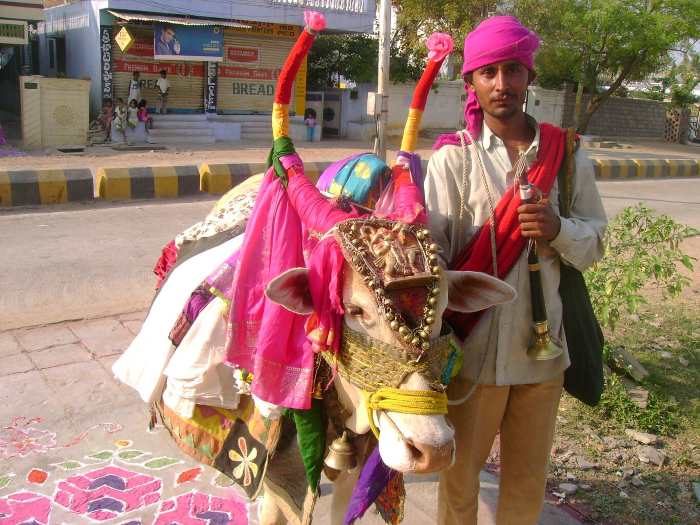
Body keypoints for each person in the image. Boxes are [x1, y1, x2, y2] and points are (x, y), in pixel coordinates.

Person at [424, 16, 607, 525]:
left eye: (512, 70)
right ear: (472, 83)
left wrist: (557, 228)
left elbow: (595, 244)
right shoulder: (451, 161)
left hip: (541, 361)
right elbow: (433, 258)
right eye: (488, 73)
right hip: (472, 360)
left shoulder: (566, 154)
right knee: (458, 486)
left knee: (526, 488)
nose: (501, 84)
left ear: (528, 76)